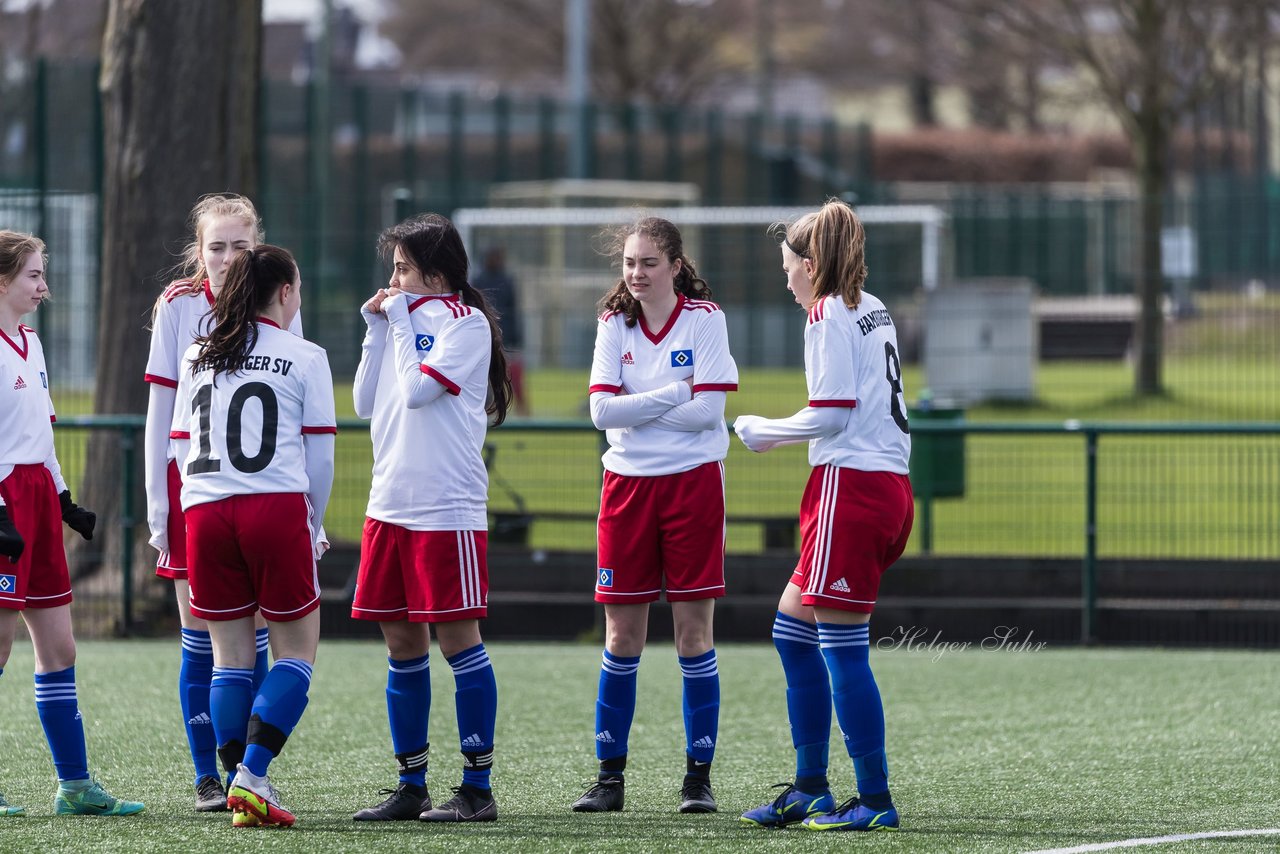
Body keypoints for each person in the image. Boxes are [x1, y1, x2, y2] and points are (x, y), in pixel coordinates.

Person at [734, 200, 913, 832]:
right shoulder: (873, 305)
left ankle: (874, 799)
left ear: (811, 265)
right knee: (791, 629)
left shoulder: (826, 313)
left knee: (843, 649)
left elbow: (833, 414)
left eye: (787, 266)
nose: (785, 277)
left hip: (853, 489)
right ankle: (811, 785)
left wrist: (764, 431)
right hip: (886, 486)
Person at [570, 217, 738, 815]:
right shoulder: (614, 324)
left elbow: (709, 413)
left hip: (693, 487)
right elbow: (599, 413)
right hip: (627, 490)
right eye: (629, 263)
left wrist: (635, 407)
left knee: (693, 635)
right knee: (622, 637)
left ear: (674, 265)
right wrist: (673, 393)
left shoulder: (706, 318)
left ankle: (699, 779)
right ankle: (609, 778)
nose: (636, 274)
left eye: (648, 263)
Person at [350, 213, 510, 824]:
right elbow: (367, 401)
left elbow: (420, 392)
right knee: (400, 641)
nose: (392, 281)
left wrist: (394, 321)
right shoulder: (397, 322)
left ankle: (477, 788)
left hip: (447, 507)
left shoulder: (465, 325)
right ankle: (411, 783)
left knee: (457, 640)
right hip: (388, 504)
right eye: (392, 269)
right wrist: (374, 328)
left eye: (402, 270)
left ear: (436, 276)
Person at [169, 244, 335, 828]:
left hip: (205, 511)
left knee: (229, 661)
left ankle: (242, 780)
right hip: (273, 506)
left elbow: (181, 445)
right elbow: (320, 460)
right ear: (286, 292)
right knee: (296, 652)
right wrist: (313, 523)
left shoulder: (197, 353)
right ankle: (252, 776)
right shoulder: (306, 355)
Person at [0, 230, 144, 818]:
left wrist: (62, 499)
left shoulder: (31, 344)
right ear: (2, 281)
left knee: (59, 650)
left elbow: (42, 433)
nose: (44, 286)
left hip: (36, 498)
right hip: (4, 503)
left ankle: (75, 786)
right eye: (34, 275)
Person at [472, 246, 529, 416]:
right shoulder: (478, 280)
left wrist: (516, 336)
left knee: (514, 373)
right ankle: (489, 407)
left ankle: (521, 407)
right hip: (486, 336)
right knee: (486, 374)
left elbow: (513, 309)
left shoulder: (507, 280)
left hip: (507, 337)